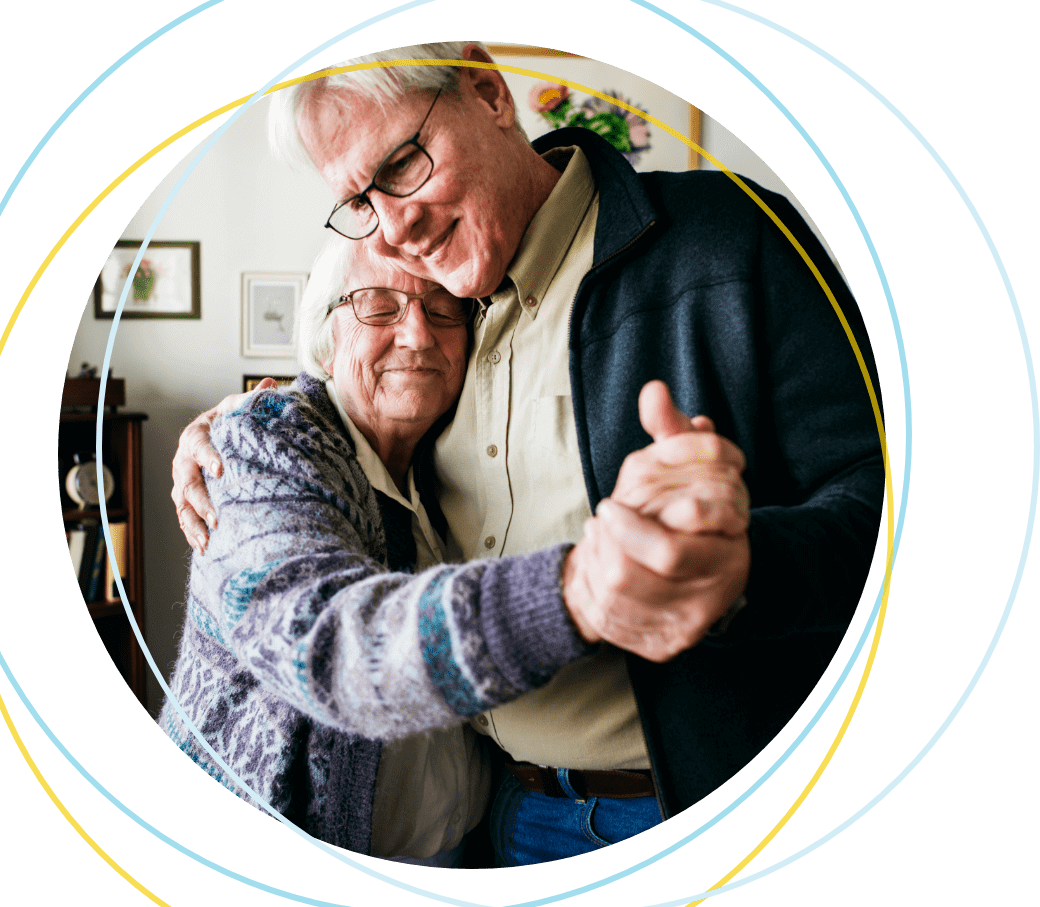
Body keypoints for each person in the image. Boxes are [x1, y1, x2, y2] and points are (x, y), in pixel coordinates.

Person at [172, 42, 883, 866]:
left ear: (487, 92)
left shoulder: (730, 239)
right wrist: (240, 423)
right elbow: (345, 413)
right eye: (358, 201)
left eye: (402, 163)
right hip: (493, 820)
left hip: (688, 806)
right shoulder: (443, 317)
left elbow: (882, 502)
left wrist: (743, 567)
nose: (395, 226)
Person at [159, 234, 745, 866]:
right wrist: (577, 590)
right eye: (377, 306)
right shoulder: (259, 445)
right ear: (326, 335)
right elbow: (321, 644)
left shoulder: (446, 457)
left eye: (443, 309)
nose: (416, 335)